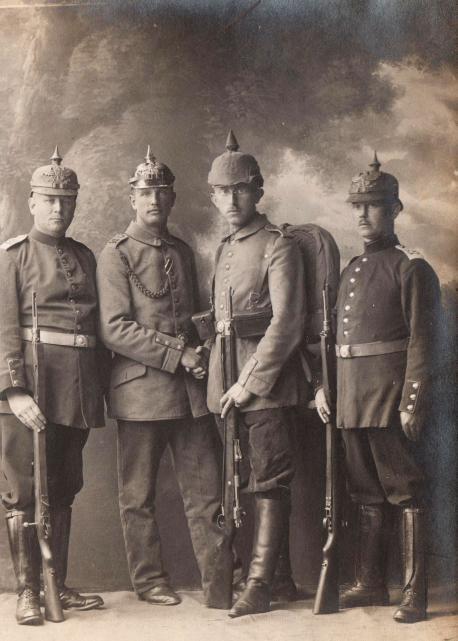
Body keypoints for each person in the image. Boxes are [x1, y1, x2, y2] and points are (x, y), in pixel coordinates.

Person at [96, 147, 231, 609]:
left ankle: (219, 584)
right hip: (139, 392)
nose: (154, 199)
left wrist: (207, 344)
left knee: (207, 493)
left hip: (190, 394)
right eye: (145, 191)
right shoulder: (115, 255)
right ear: (132, 198)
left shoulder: (181, 252)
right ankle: (150, 581)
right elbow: (115, 329)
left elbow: (189, 317)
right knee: (138, 497)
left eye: (162, 191)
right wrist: (181, 355)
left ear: (172, 199)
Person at [315, 152, 441, 623]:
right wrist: (324, 389)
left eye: (374, 205)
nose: (363, 214)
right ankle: (370, 583)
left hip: (390, 401)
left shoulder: (411, 268)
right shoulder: (350, 270)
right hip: (351, 398)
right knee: (365, 492)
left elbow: (425, 344)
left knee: (405, 492)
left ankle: (414, 592)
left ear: (395, 210)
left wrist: (412, 403)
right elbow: (337, 342)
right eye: (357, 206)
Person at [205, 131, 309, 618]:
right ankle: (282, 578)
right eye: (222, 192)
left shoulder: (278, 245)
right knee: (240, 478)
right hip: (224, 378)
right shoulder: (224, 248)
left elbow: (287, 323)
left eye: (240, 189)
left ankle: (262, 583)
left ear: (258, 192)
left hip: (264, 385)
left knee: (268, 478)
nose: (231, 200)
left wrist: (247, 383)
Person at [0, 147, 105, 625]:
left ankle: (54, 582)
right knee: (24, 491)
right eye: (50, 199)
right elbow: (3, 327)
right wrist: (14, 391)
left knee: (62, 488)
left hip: (75, 391)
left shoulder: (83, 256)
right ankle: (27, 592)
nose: (60, 208)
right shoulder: (13, 256)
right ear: (32, 202)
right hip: (30, 390)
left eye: (67, 200)